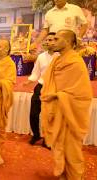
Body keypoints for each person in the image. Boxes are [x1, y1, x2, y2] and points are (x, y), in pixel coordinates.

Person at [41, 30, 92, 179]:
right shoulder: (57, 60)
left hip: (70, 113)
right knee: (58, 145)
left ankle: (76, 176)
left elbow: (82, 94)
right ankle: (62, 172)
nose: (53, 41)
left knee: (71, 149)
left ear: (68, 42)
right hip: (57, 110)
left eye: (57, 39)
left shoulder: (75, 62)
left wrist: (57, 95)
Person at [23, 32, 58, 146]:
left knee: (50, 116)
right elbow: (36, 73)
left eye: (51, 40)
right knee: (33, 113)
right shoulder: (41, 57)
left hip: (54, 89)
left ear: (57, 41)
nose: (48, 42)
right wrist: (29, 81)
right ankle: (36, 134)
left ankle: (48, 139)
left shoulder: (61, 56)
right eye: (47, 40)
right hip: (40, 87)